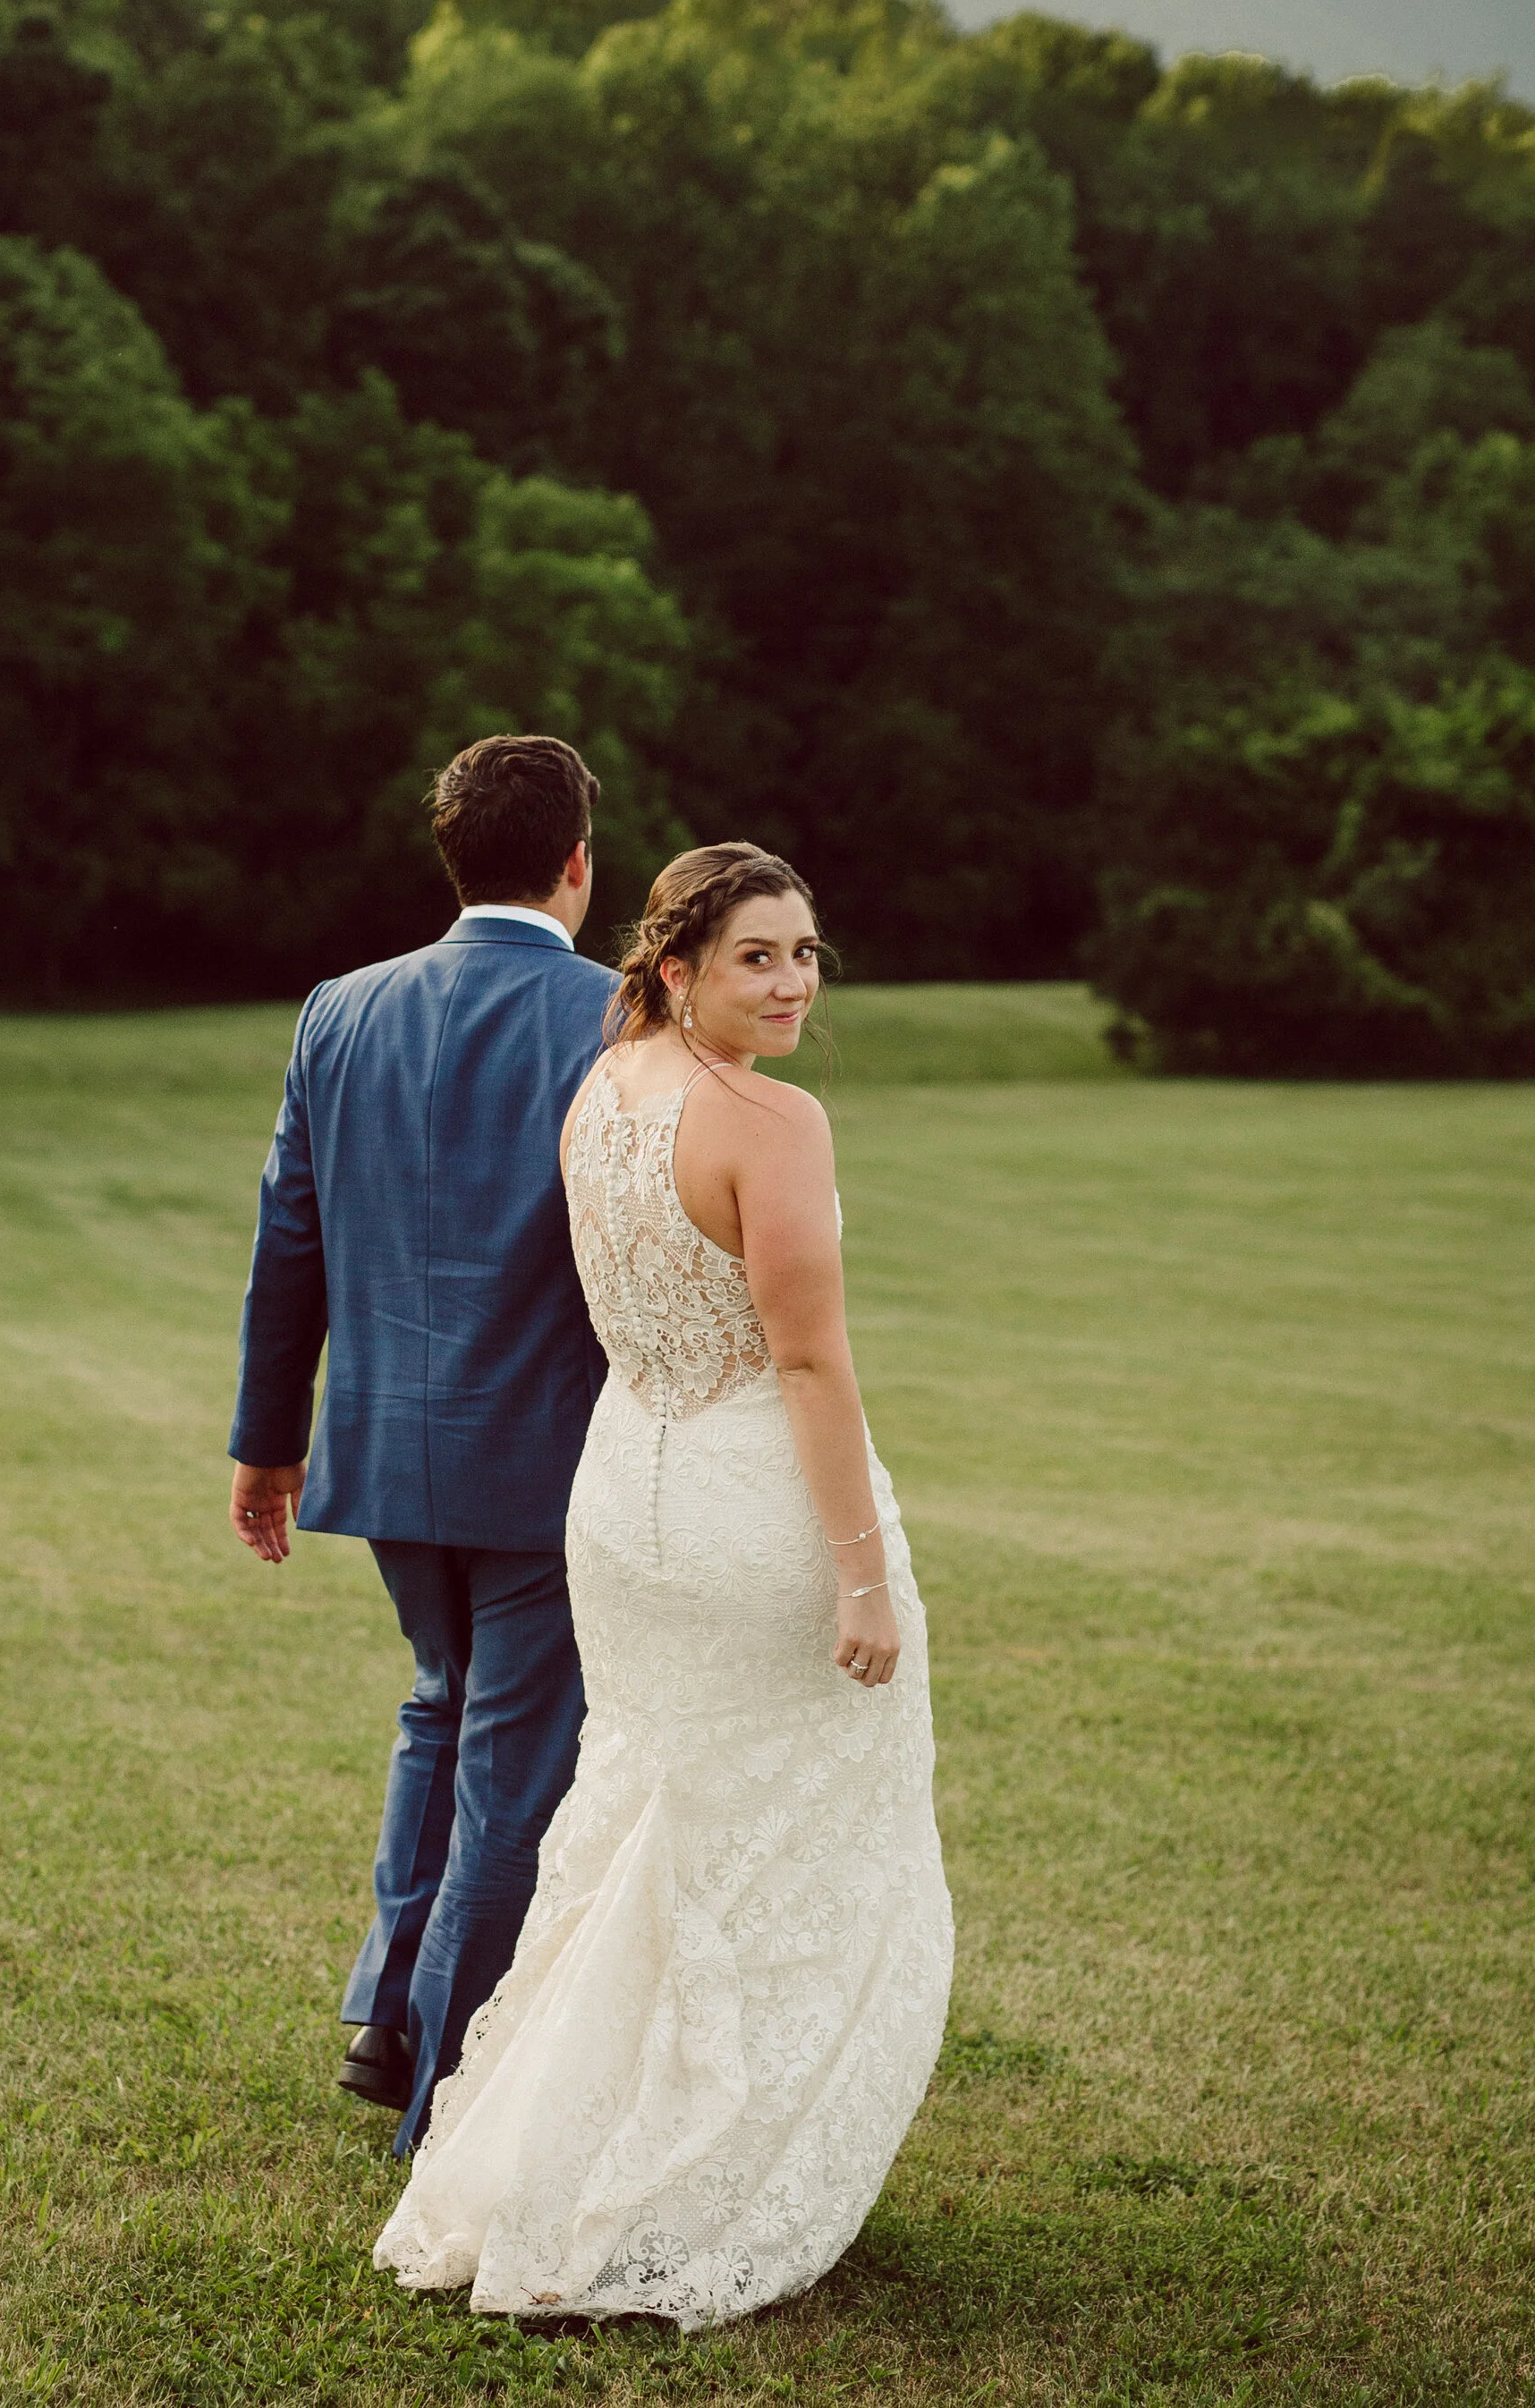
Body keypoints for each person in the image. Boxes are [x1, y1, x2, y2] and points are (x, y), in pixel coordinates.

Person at [374, 843, 954, 2330]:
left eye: (809, 952)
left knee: (645, 1830)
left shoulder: (610, 1079)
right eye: (759, 953)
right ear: (679, 962)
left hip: (623, 1498)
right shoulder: (773, 1120)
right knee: (778, 1844)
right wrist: (862, 1574)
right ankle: (697, 2182)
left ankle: (553, 2166)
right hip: (748, 1507)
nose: (794, 982)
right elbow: (812, 1361)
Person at [228, 733, 617, 2149]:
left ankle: (385, 2010)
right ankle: (445, 2089)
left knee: (440, 1704)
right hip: (548, 1459)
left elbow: (292, 1232)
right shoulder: (619, 1019)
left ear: (451, 857)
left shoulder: (340, 1007)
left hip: (389, 1449)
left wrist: (268, 1442)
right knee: (512, 1758)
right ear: (579, 864)